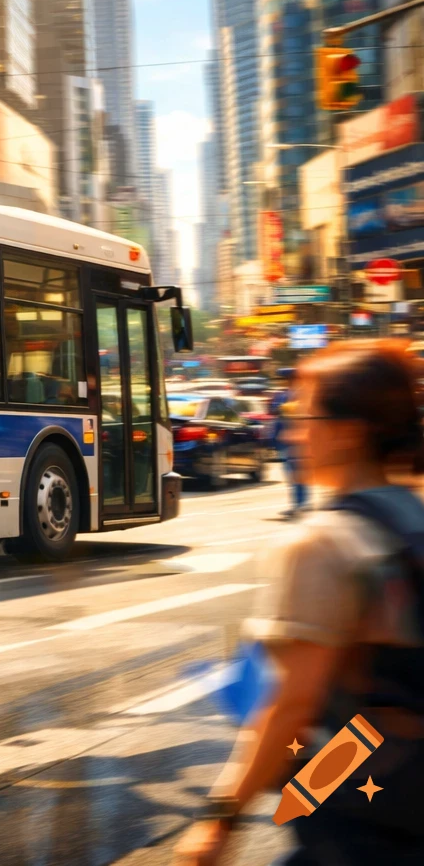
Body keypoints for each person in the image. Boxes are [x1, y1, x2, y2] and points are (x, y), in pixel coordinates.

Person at [175, 341, 424, 865]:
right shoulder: (411, 514)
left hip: (368, 822)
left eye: (303, 415)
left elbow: (292, 704)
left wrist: (220, 821)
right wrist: (302, 797)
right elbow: (383, 704)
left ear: (348, 431)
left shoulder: (321, 542)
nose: (289, 433)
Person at [268, 368, 308, 518]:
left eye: (284, 379)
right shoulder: (283, 395)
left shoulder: (301, 395)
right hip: (285, 440)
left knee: (298, 475)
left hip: (297, 441)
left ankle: (301, 505)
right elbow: (276, 415)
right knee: (292, 476)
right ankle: (298, 505)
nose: (282, 382)